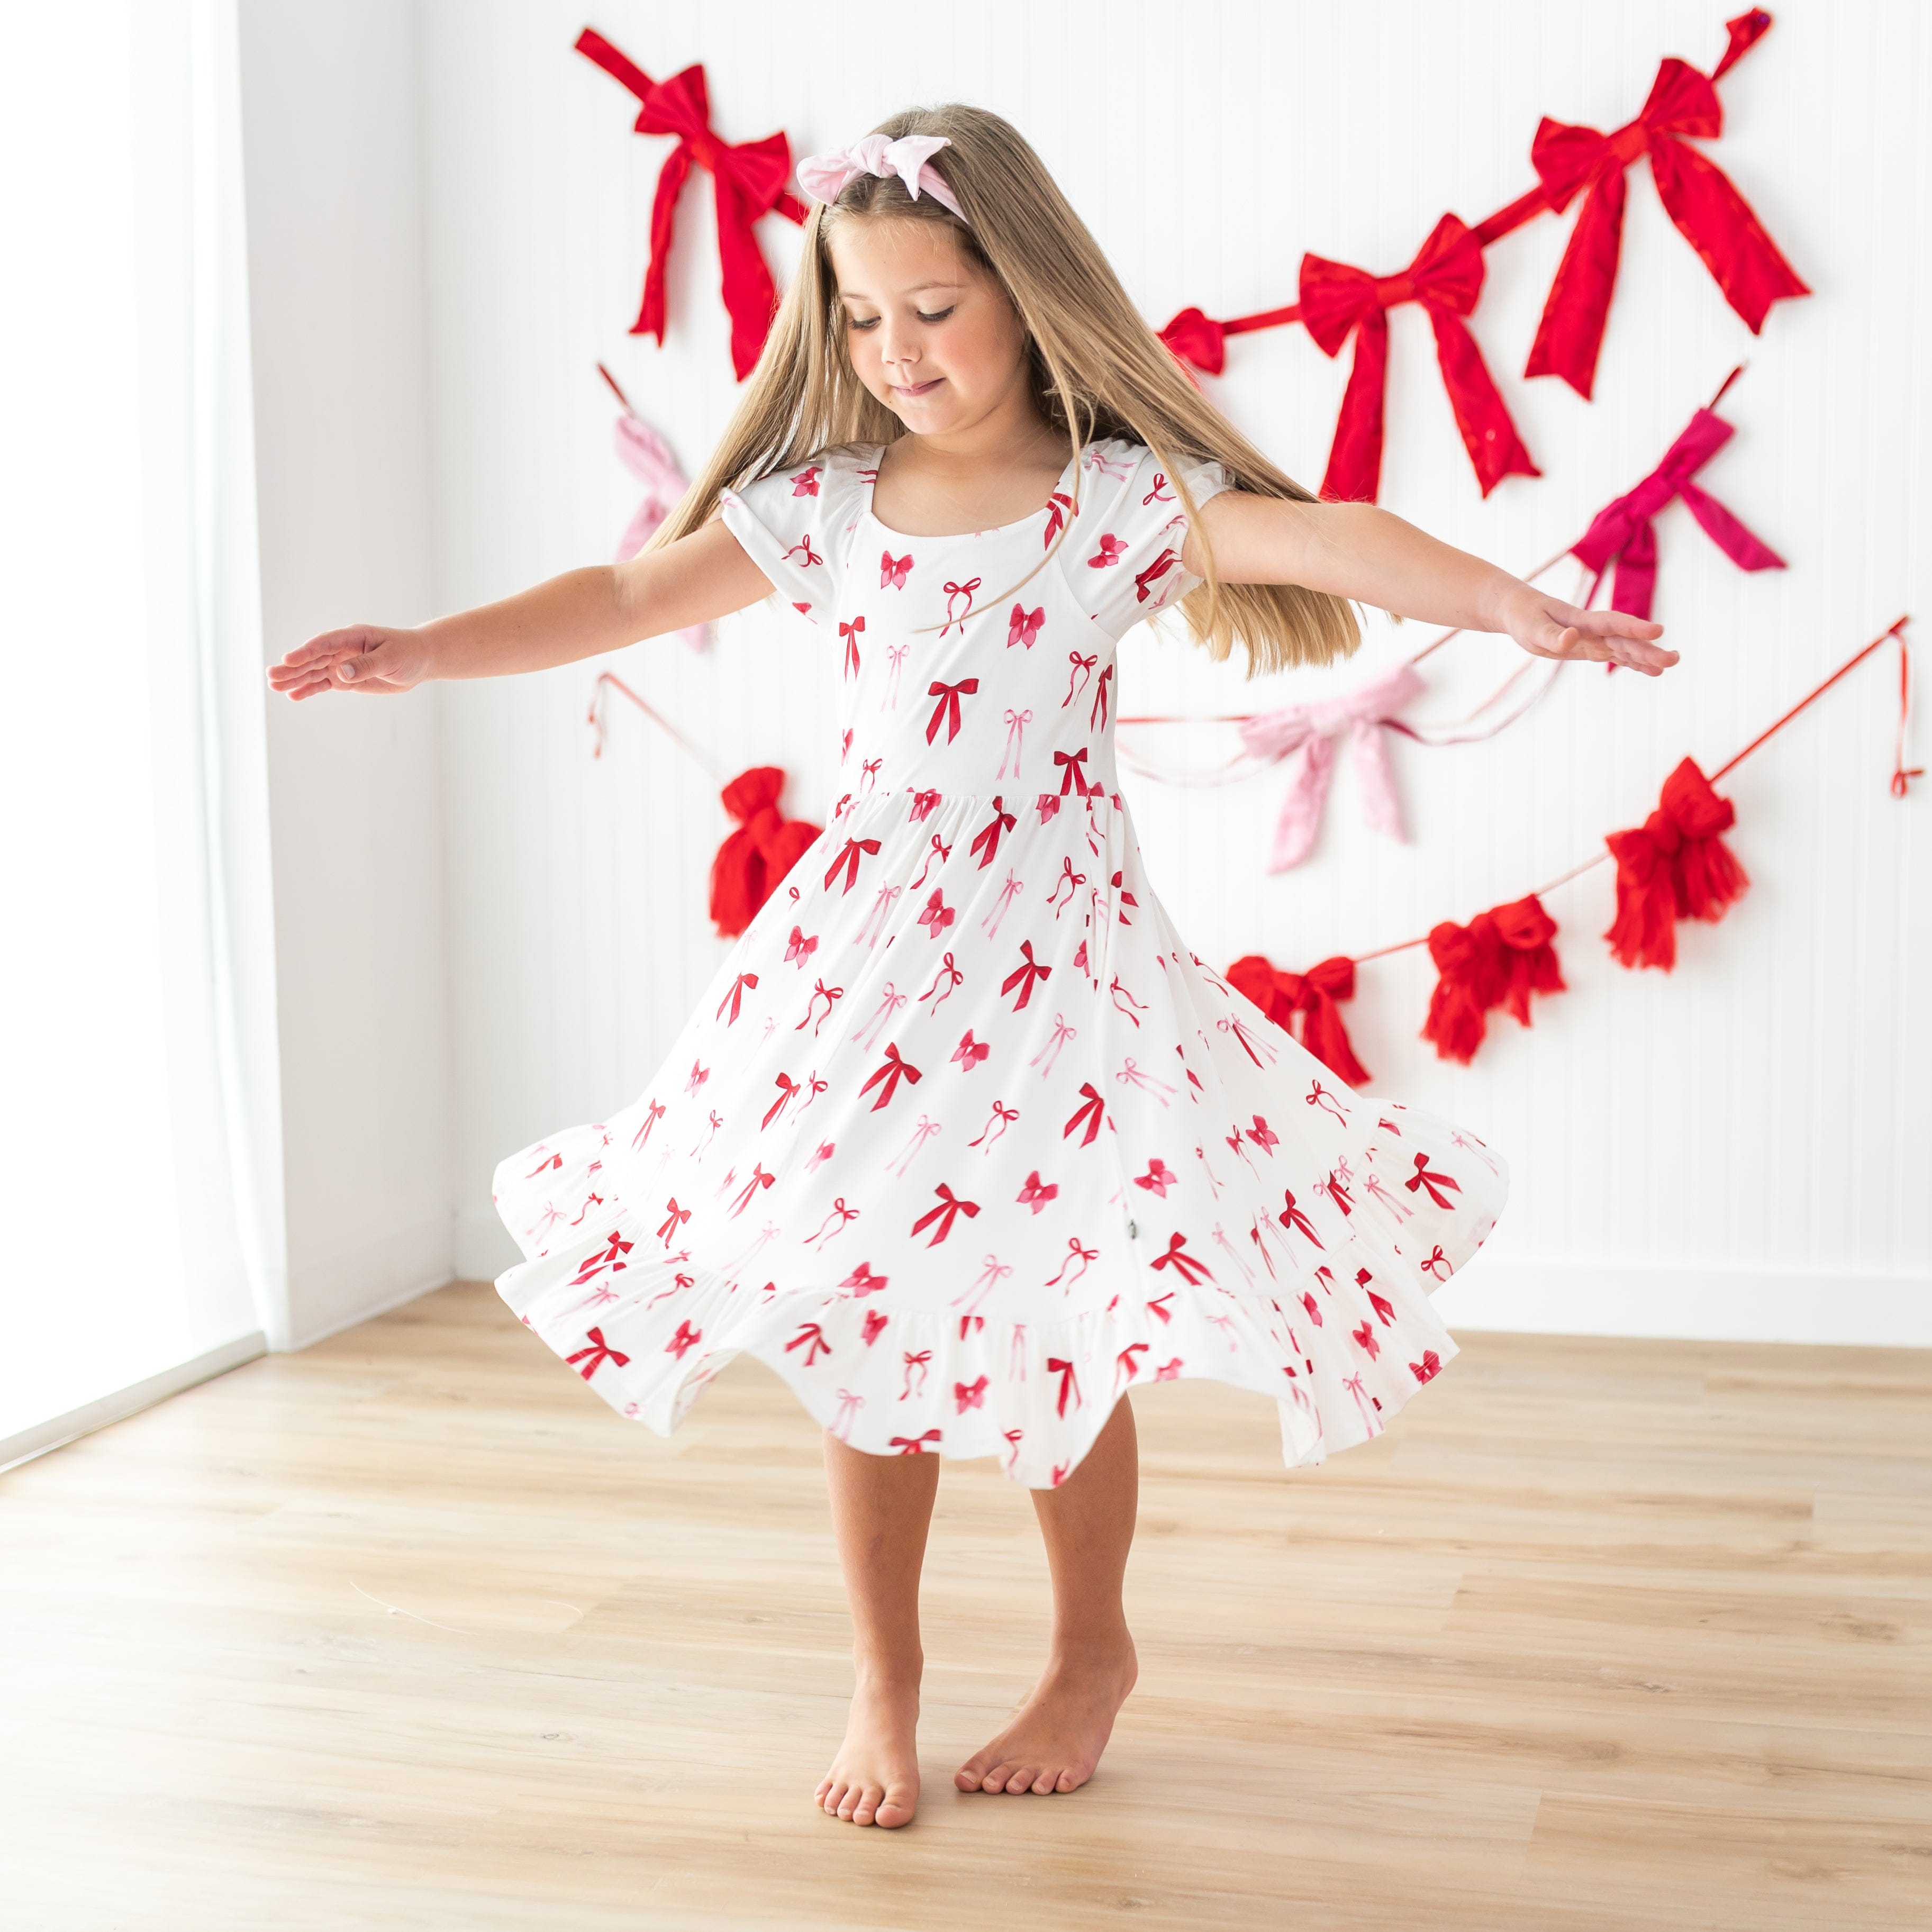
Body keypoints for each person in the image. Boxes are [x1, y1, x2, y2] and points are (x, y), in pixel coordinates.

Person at [269, 107, 1674, 1832]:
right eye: (862, 317)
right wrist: (427, 649)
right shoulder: (826, 507)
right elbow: (627, 593)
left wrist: (1508, 605)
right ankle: (884, 1677)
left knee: (1063, 1312)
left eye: (932, 309)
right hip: (864, 980)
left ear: (1025, 292)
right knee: (853, 1310)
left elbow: (1327, 538)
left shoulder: (1112, 505)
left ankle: (1089, 1651)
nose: (895, 350)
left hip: (1064, 986)